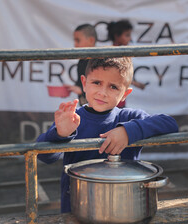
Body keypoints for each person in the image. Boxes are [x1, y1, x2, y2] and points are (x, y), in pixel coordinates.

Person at [37, 57, 178, 213]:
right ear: (84, 83)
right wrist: (60, 134)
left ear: (125, 93)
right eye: (96, 83)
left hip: (124, 209)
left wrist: (129, 131)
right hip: (77, 209)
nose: (102, 93)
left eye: (113, 87)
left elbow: (170, 123)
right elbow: (44, 156)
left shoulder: (130, 118)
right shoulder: (72, 118)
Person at [107, 19, 148, 107]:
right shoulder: (110, 53)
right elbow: (117, 76)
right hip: (111, 99)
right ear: (117, 36)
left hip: (119, 98)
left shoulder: (123, 53)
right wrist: (135, 83)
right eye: (127, 35)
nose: (130, 38)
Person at [64, 24, 97, 106]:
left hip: (97, 110)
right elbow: (80, 83)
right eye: (74, 41)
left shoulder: (99, 61)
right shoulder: (81, 61)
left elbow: (100, 85)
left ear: (91, 40)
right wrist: (72, 88)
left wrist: (81, 90)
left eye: (78, 40)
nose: (75, 45)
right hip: (85, 106)